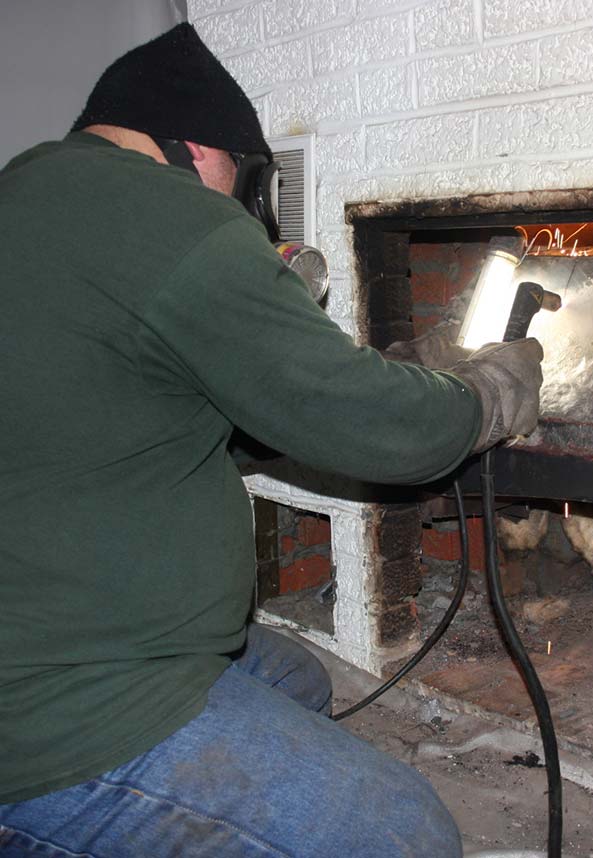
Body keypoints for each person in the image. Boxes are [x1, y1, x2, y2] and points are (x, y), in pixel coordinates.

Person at [0, 22, 543, 858]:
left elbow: (182, 401)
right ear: (201, 150)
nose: (244, 207)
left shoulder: (32, 193)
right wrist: (492, 391)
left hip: (47, 611)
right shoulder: (172, 215)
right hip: (54, 704)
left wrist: (394, 368)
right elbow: (397, 438)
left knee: (296, 679)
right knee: (405, 833)